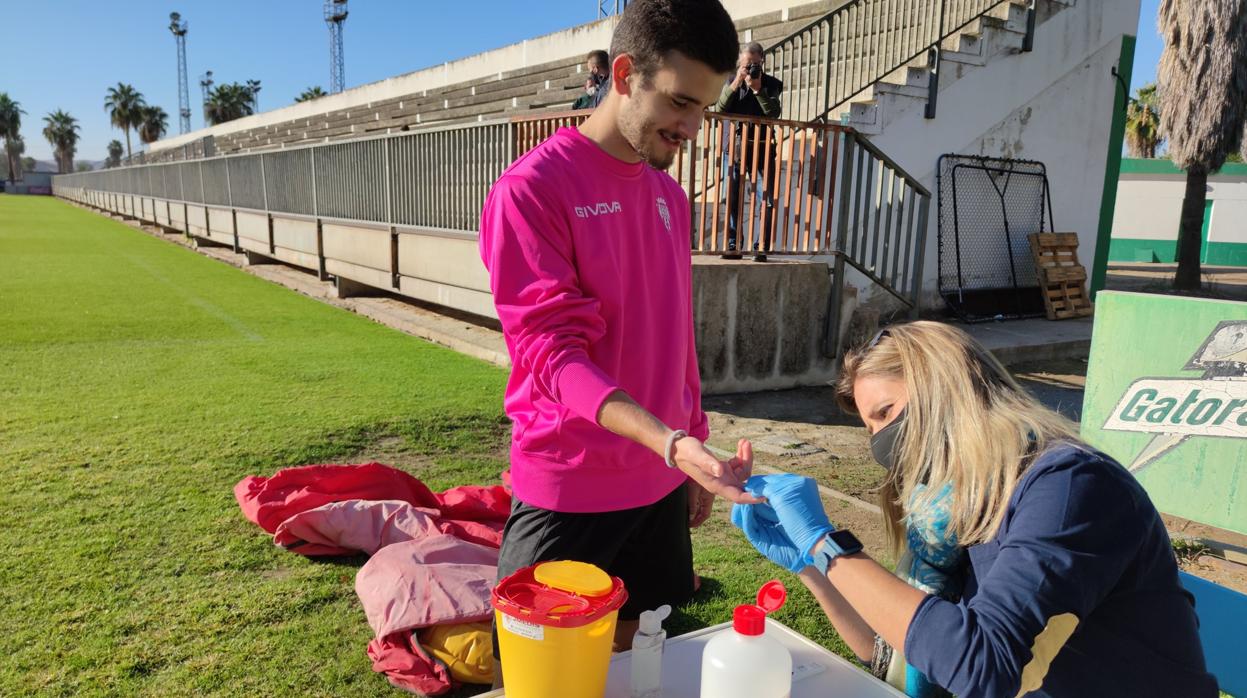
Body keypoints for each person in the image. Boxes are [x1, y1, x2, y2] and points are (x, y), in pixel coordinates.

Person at [478, 0, 755, 680]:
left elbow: (672, 330)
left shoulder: (668, 195)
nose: (692, 127)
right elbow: (551, 356)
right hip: (569, 485)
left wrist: (688, 440)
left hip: (661, 477)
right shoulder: (531, 190)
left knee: (640, 662)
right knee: (543, 675)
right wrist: (668, 440)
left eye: (704, 108)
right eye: (680, 102)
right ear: (624, 74)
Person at [732, 321, 1218, 698]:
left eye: (885, 414)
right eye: (869, 427)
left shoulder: (1070, 487)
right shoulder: (954, 504)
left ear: (946, 387)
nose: (879, 441)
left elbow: (985, 666)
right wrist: (812, 565)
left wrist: (826, 543)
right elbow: (894, 651)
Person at [716, 42, 782, 261]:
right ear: (739, 63)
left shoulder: (771, 84)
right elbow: (721, 108)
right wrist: (737, 80)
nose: (750, 68)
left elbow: (773, 113)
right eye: (746, 64)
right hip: (734, 148)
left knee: (767, 197)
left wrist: (757, 89)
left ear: (761, 61)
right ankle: (733, 243)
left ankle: (761, 245)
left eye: (754, 64)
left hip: (763, 148)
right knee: (732, 196)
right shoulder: (730, 82)